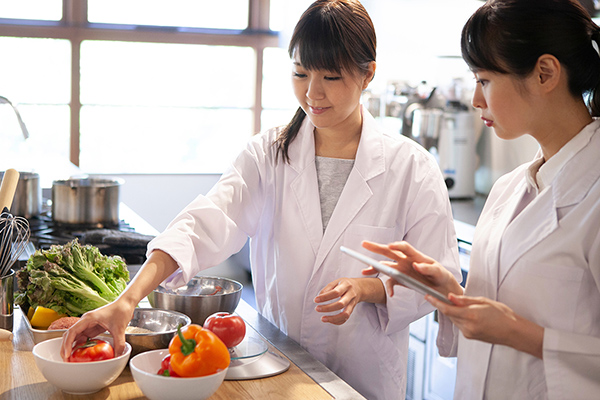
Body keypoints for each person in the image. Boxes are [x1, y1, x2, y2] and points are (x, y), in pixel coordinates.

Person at [61, 1, 461, 398]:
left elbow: (438, 277)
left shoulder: (411, 167)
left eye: (332, 77)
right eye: (300, 73)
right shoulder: (268, 154)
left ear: (368, 74)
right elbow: (205, 222)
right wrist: (127, 299)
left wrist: (367, 288)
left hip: (364, 378)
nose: (312, 92)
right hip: (279, 371)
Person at [362, 0, 600, 398]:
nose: (476, 99)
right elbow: (497, 311)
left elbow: (514, 326)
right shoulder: (509, 189)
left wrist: (522, 336)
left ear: (545, 73)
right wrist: (450, 292)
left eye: (484, 79)